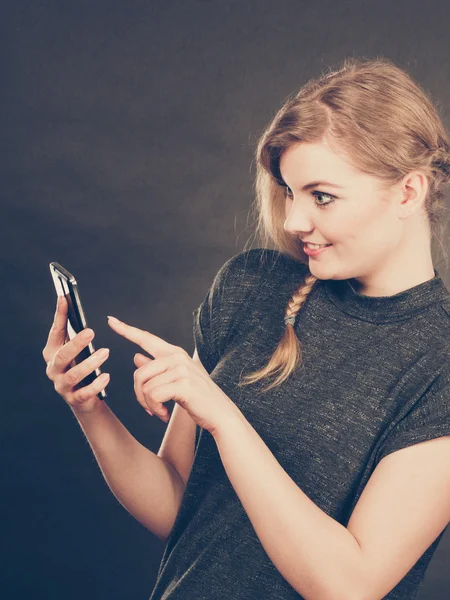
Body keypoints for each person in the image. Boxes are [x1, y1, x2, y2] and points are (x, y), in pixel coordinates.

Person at [43, 56, 450, 600]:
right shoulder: (252, 288)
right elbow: (175, 506)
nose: (293, 221)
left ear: (408, 193)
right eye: (289, 191)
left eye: (321, 195)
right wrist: (89, 408)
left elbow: (349, 585)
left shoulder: (438, 362)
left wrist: (225, 420)